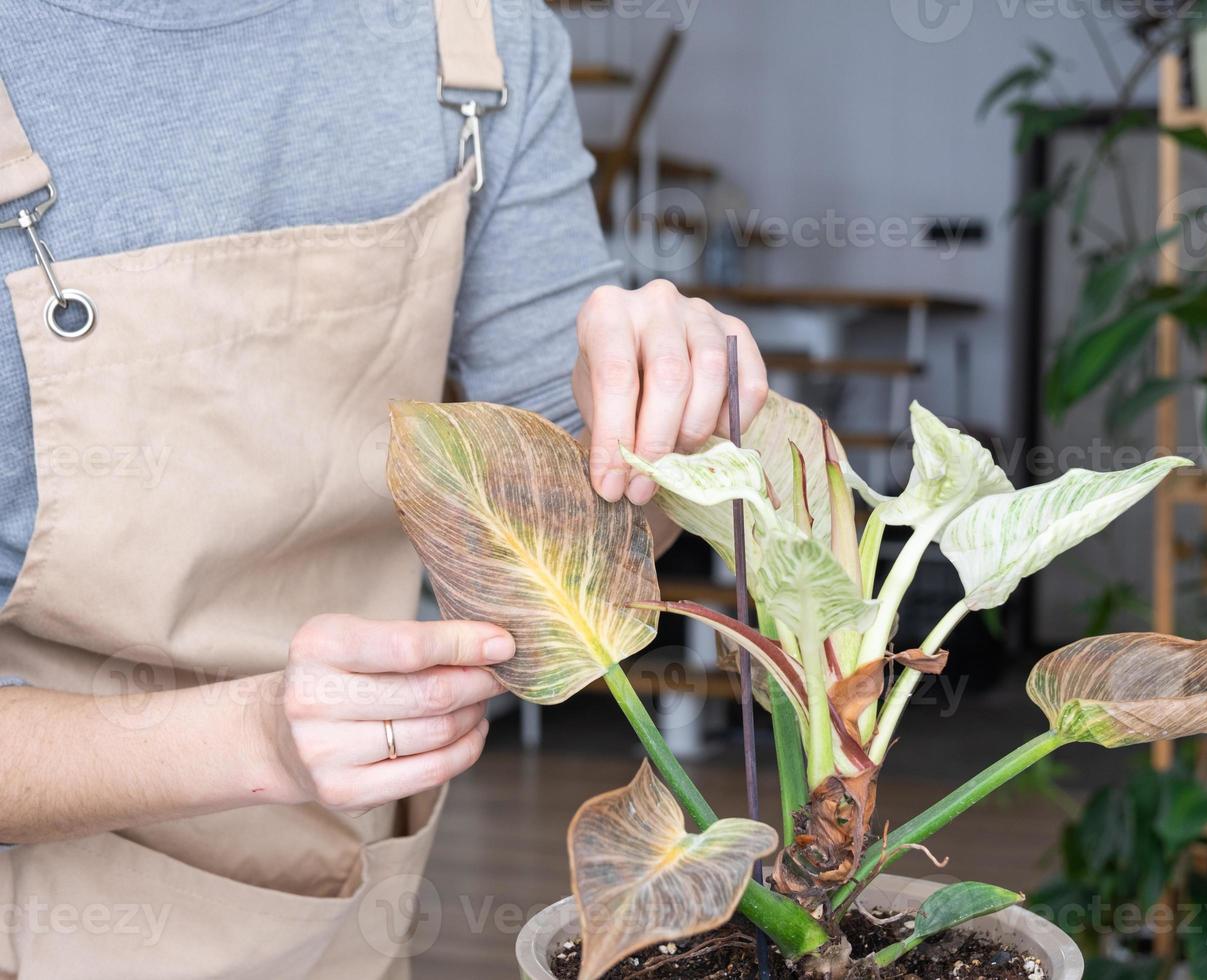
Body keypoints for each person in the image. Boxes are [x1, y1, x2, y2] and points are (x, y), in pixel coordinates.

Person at [0, 1, 767, 976]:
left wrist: (674, 422)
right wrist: (256, 735)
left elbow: (590, 520)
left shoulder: (473, 38)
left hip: (344, 913)